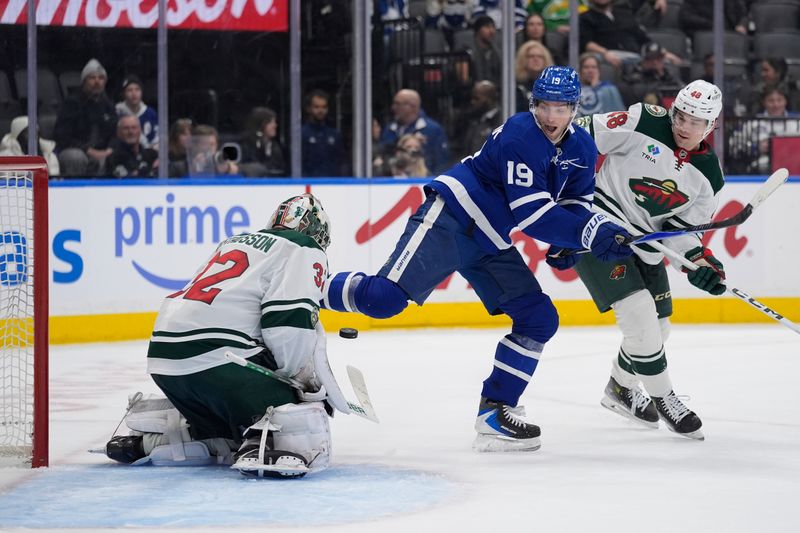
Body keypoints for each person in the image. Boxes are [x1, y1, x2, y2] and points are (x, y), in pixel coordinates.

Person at [323, 66, 634, 452]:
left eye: (561, 108)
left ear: (575, 109)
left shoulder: (582, 148)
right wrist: (586, 232)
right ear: (533, 104)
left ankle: (495, 412)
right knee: (383, 300)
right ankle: (306, 286)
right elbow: (532, 214)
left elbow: (576, 202)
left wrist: (574, 240)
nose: (552, 117)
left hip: (489, 236)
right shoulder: (521, 134)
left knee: (538, 318)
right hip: (454, 216)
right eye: (545, 106)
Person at [105, 194, 342, 478]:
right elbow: (287, 323)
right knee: (298, 407)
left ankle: (161, 440)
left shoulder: (235, 241)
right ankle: (260, 440)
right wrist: (301, 383)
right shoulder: (304, 247)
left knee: (221, 427)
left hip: (164, 362)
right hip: (219, 363)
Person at [562, 80, 727, 440]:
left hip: (647, 244)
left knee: (660, 325)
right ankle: (664, 397)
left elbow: (681, 231)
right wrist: (563, 188)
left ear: (711, 125)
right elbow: (583, 134)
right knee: (638, 312)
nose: (684, 127)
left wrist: (699, 262)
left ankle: (620, 388)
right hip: (599, 228)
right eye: (681, 116)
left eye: (696, 122)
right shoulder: (644, 121)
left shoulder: (709, 177)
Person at [53, 58, 117, 176]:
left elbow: (115, 133)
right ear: (84, 81)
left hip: (101, 151)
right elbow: (62, 136)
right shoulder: (71, 103)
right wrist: (89, 150)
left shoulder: (108, 105)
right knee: (76, 157)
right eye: (92, 78)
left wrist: (109, 150)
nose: (97, 82)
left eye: (101, 78)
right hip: (75, 151)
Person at [379, 89, 450, 174]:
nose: (393, 107)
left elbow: (441, 163)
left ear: (413, 107)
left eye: (398, 104)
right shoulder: (389, 129)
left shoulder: (433, 130)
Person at [302, 90, 347, 177]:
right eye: (316, 107)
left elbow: (342, 162)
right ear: (308, 109)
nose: (321, 110)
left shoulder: (334, 135)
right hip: (309, 184)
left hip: (332, 185)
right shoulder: (302, 134)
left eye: (324, 107)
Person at [239, 107, 287, 177]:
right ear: (262, 124)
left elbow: (277, 167)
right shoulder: (247, 144)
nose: (275, 125)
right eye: (271, 122)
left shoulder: (273, 146)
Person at [115, 74, 158, 150]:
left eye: (137, 89)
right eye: (130, 90)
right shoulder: (117, 112)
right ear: (124, 94)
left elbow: (157, 138)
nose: (134, 93)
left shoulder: (150, 113)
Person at [577, 53, 625, 117]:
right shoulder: (574, 91)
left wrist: (596, 88)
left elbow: (620, 114)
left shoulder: (609, 89)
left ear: (599, 71)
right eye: (586, 67)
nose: (590, 70)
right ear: (580, 70)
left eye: (594, 67)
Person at [515, 41, 554, 112]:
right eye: (531, 56)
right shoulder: (516, 86)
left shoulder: (553, 86)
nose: (536, 59)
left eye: (540, 57)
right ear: (523, 59)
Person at [468, 15, 502, 87]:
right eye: (487, 27)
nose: (491, 31)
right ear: (477, 30)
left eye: (493, 27)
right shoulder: (469, 51)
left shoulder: (497, 52)